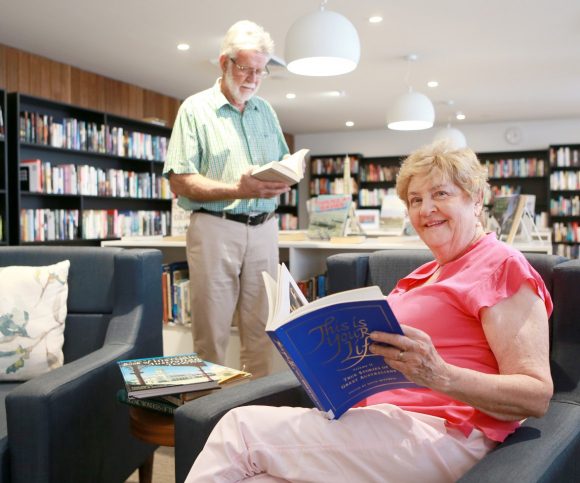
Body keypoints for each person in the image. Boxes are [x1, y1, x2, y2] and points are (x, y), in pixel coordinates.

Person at [184, 141, 554, 482]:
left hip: (441, 431)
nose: (425, 209)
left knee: (240, 430)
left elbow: (535, 395)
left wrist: (441, 375)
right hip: (377, 425)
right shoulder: (425, 273)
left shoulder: (500, 265)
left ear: (475, 200)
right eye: (414, 200)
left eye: (440, 194)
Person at [163, 20, 292, 378]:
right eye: (246, 68)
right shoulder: (195, 109)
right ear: (224, 63)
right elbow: (180, 181)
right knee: (211, 332)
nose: (253, 78)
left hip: (265, 229)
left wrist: (283, 176)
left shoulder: (265, 111)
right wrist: (239, 189)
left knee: (263, 331)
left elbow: (280, 161)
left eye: (261, 71)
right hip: (215, 229)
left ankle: (255, 415)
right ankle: (211, 419)